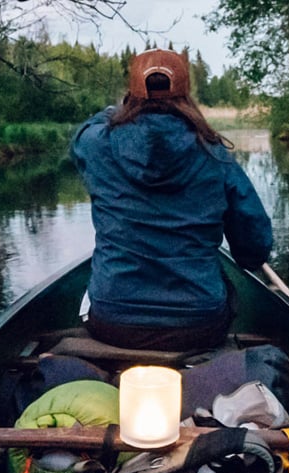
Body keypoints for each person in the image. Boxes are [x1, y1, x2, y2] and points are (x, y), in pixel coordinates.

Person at [70, 48, 272, 352]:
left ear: (131, 92)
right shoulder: (215, 154)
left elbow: (85, 132)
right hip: (198, 326)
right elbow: (253, 250)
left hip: (113, 323)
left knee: (92, 298)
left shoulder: (96, 145)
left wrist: (120, 109)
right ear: (186, 93)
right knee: (226, 295)